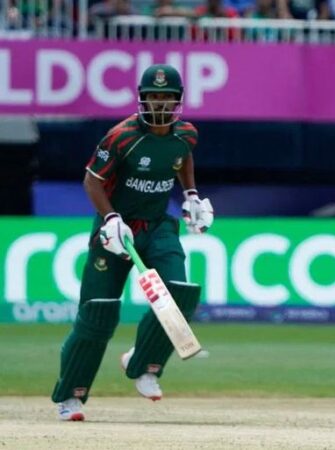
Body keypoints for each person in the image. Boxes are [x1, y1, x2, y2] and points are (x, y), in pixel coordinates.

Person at [52, 64, 214, 421]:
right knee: (98, 314)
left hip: (157, 228)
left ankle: (143, 363)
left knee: (181, 292)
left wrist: (190, 194)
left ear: (177, 100)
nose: (159, 103)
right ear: (142, 98)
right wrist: (110, 218)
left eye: (166, 97)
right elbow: (92, 181)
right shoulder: (122, 136)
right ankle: (70, 397)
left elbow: (182, 157)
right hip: (115, 233)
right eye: (153, 96)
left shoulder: (186, 133)